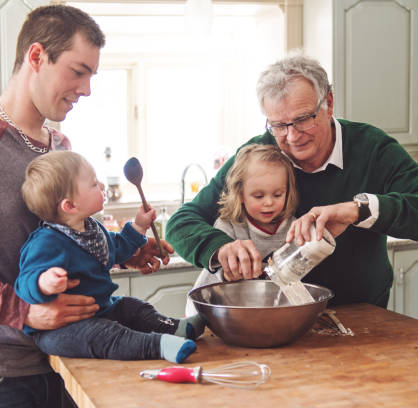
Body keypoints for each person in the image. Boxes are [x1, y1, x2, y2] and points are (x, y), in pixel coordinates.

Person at [166, 51, 418, 308]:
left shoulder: (371, 148)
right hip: (281, 320)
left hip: (362, 314)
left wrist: (357, 210)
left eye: (303, 119)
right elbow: (181, 222)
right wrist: (219, 248)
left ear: (329, 103)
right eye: (279, 125)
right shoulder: (258, 156)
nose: (292, 136)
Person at [0, 5, 172, 407]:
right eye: (78, 72)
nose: (87, 89)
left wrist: (118, 253)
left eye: (91, 76)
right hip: (10, 374)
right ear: (37, 57)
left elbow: (63, 241)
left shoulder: (61, 147)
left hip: (71, 360)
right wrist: (22, 312)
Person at [15, 151, 203, 364]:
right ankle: (158, 345)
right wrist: (44, 282)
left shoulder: (92, 229)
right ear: (70, 206)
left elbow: (118, 247)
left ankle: (177, 328)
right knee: (107, 335)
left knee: (133, 307)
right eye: (94, 184)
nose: (102, 186)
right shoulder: (46, 242)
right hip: (63, 329)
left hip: (103, 308)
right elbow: (24, 282)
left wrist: (139, 227)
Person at [186, 144, 298, 314]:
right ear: (240, 194)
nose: (269, 202)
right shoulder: (228, 225)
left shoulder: (293, 227)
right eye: (259, 196)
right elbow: (223, 272)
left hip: (258, 310)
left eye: (277, 195)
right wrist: (232, 271)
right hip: (209, 310)